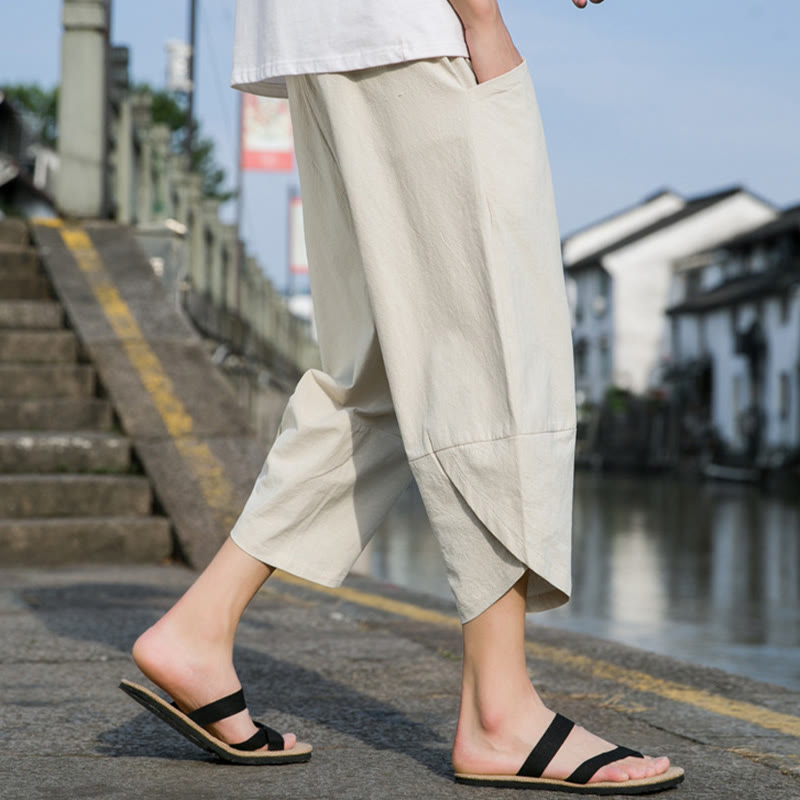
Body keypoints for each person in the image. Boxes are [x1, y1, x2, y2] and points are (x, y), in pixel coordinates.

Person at [122, 0, 684, 793]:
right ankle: (502, 712)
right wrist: (482, 13)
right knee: (491, 356)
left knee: (378, 377)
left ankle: (199, 628)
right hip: (410, 31)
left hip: (333, 36)